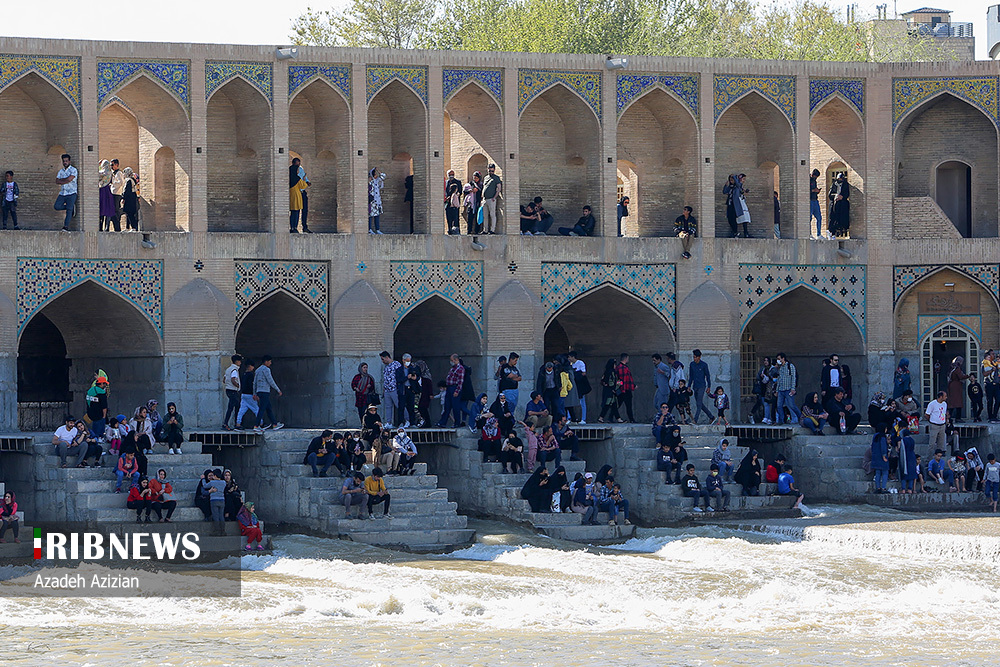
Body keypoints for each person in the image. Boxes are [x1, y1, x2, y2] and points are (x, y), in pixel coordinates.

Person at [253, 355, 284, 432]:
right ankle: (256, 425)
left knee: (268, 408)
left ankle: (274, 424)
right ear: (266, 361)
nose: (270, 363)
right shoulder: (266, 370)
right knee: (262, 409)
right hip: (265, 392)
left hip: (259, 392)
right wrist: (278, 390)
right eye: (269, 361)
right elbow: (270, 381)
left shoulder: (257, 370)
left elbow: (254, 383)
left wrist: (254, 393)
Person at [688, 350, 713, 424]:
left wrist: (709, 386)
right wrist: (689, 386)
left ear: (699, 357)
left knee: (699, 404)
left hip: (702, 386)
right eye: (693, 357)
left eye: (695, 357)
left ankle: (695, 420)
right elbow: (691, 376)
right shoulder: (692, 364)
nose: (694, 359)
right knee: (700, 404)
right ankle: (711, 416)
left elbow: (707, 376)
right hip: (695, 386)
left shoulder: (704, 365)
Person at [54, 153, 78, 231]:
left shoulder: (73, 170)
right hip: (63, 193)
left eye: (66, 161)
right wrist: (65, 180)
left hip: (71, 193)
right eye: (64, 161)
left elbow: (69, 179)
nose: (65, 162)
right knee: (57, 206)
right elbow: (57, 181)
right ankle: (70, 207)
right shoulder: (61, 171)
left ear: (69, 161)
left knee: (69, 211)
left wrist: (63, 180)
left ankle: (66, 227)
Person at [235, 359, 259, 430]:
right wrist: (254, 394)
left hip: (243, 395)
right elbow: (251, 385)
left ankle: (238, 423)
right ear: (250, 366)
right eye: (252, 366)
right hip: (250, 395)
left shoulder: (243, 375)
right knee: (256, 409)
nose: (253, 368)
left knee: (241, 410)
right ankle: (260, 423)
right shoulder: (251, 375)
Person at [597, 358, 623, 424]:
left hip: (608, 391)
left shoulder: (606, 372)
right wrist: (617, 386)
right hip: (610, 391)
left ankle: (618, 419)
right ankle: (601, 418)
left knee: (613, 405)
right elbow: (611, 383)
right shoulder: (612, 372)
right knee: (607, 405)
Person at [567, 352, 590, 423]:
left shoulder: (580, 363)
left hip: (580, 385)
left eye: (569, 357)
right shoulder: (570, 365)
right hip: (573, 385)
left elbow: (583, 373)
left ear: (573, 357)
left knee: (582, 402)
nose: (569, 359)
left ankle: (583, 419)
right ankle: (569, 418)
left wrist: (576, 374)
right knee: (569, 402)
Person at [222, 354, 243, 430]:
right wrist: (238, 386)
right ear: (237, 361)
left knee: (233, 407)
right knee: (233, 407)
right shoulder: (234, 370)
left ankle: (233, 423)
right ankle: (230, 424)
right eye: (240, 361)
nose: (240, 363)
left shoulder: (228, 369)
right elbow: (233, 379)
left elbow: (224, 380)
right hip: (233, 391)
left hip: (228, 390)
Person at [289, 157, 309, 233]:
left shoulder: (290, 177)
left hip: (291, 195)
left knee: (292, 213)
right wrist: (304, 179)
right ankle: (295, 228)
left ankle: (292, 227)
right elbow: (303, 185)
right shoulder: (297, 179)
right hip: (297, 196)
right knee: (296, 212)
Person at [480, 163, 502, 234]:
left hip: (491, 199)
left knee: (492, 214)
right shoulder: (486, 177)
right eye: (490, 171)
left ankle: (492, 230)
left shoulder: (496, 178)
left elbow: (499, 188)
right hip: (485, 199)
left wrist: (494, 197)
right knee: (485, 215)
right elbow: (484, 187)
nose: (491, 172)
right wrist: (482, 198)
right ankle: (485, 230)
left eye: (492, 171)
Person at [947, 356, 969, 422]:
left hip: (952, 386)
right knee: (957, 402)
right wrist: (968, 376)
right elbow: (961, 376)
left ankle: (949, 417)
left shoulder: (951, 368)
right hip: (956, 387)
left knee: (952, 403)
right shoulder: (957, 369)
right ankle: (957, 418)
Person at [829, 172, 851, 238]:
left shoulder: (845, 185)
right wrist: (835, 196)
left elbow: (847, 194)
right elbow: (830, 195)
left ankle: (843, 232)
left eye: (841, 179)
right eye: (839, 179)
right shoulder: (834, 185)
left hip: (842, 205)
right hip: (834, 204)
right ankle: (832, 233)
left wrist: (842, 197)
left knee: (842, 219)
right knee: (833, 218)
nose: (840, 180)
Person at [616, 353, 636, 422]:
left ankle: (631, 419)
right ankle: (631, 419)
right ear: (626, 358)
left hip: (623, 389)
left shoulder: (620, 367)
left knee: (619, 404)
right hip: (625, 389)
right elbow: (623, 380)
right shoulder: (623, 368)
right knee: (628, 405)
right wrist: (623, 388)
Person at [206, 468, 227, 533]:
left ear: (215, 476)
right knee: (221, 515)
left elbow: (205, 486)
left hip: (214, 500)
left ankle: (217, 530)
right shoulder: (224, 482)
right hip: (222, 500)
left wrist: (203, 479)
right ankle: (223, 530)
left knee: (216, 516)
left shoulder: (212, 482)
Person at [870, 425, 890, 494]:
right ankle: (883, 488)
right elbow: (883, 447)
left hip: (875, 456)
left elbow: (872, 446)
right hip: (881, 457)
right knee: (885, 472)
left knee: (877, 472)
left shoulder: (875, 436)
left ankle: (878, 487)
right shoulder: (883, 437)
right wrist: (884, 455)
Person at [898, 429, 918, 494]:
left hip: (905, 457)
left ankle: (903, 489)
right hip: (912, 456)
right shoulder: (912, 440)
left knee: (904, 472)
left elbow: (901, 449)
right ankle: (910, 489)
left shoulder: (903, 440)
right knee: (912, 473)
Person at [652, 353, 671, 417]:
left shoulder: (663, 366)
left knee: (662, 404)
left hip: (663, 388)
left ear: (659, 360)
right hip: (658, 388)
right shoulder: (656, 367)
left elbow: (669, 375)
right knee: (655, 403)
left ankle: (663, 417)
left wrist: (662, 372)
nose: (653, 362)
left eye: (655, 360)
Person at [983, 350, 1000, 422]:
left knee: (998, 400)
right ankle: (990, 417)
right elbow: (984, 374)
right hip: (989, 384)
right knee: (990, 401)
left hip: (997, 385)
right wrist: (991, 370)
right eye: (992, 354)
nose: (994, 355)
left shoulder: (995, 363)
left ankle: (995, 415)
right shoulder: (985, 363)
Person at [98, 159, 115, 230]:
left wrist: (97, 165)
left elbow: (95, 175)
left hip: (102, 190)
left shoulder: (103, 172)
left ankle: (100, 227)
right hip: (108, 190)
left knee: (101, 208)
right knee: (108, 208)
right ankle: (107, 227)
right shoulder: (110, 172)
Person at [368, 168, 385, 234]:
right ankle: (369, 229)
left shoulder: (377, 181)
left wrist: (379, 171)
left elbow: (383, 176)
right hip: (372, 202)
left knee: (377, 215)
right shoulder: (370, 182)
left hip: (377, 202)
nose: (376, 175)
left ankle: (377, 229)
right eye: (375, 174)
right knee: (370, 215)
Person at [109, 159, 125, 231]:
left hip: (117, 194)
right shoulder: (113, 173)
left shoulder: (119, 173)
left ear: (117, 165)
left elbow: (121, 182)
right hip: (113, 193)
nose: (111, 166)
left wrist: (113, 183)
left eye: (112, 165)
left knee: (116, 211)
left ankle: (118, 228)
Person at [808, 169, 822, 238]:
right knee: (809, 218)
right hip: (810, 200)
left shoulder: (814, 181)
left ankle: (819, 234)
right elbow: (806, 191)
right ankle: (809, 234)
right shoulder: (808, 180)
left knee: (819, 217)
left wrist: (817, 191)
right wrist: (813, 190)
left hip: (815, 200)